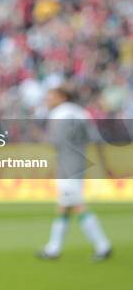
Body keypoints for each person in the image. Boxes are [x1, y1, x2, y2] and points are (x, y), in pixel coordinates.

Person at [37, 85, 113, 261]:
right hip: (79, 164)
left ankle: (103, 245)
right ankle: (53, 248)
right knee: (64, 207)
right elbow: (96, 139)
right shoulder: (82, 112)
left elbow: (54, 142)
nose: (48, 100)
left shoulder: (58, 114)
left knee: (77, 205)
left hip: (66, 166)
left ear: (63, 97)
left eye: (51, 96)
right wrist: (104, 163)